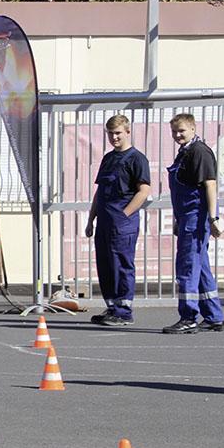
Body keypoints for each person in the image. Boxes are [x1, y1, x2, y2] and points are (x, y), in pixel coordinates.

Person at [84, 115, 151, 326]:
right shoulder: (108, 158)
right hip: (104, 221)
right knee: (105, 265)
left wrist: (125, 214)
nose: (114, 137)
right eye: (111, 133)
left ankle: (124, 311)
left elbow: (144, 191)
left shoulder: (137, 159)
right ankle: (112, 306)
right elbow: (100, 191)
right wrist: (91, 219)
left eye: (118, 133)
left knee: (121, 265)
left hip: (122, 223)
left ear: (128, 132)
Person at [162, 113, 224, 334]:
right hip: (187, 217)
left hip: (196, 217)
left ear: (192, 128)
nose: (177, 135)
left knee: (188, 268)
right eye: (174, 131)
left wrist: (213, 217)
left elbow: (210, 185)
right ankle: (214, 316)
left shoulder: (199, 152)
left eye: (181, 130)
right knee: (201, 269)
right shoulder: (186, 152)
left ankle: (188, 317)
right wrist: (179, 220)